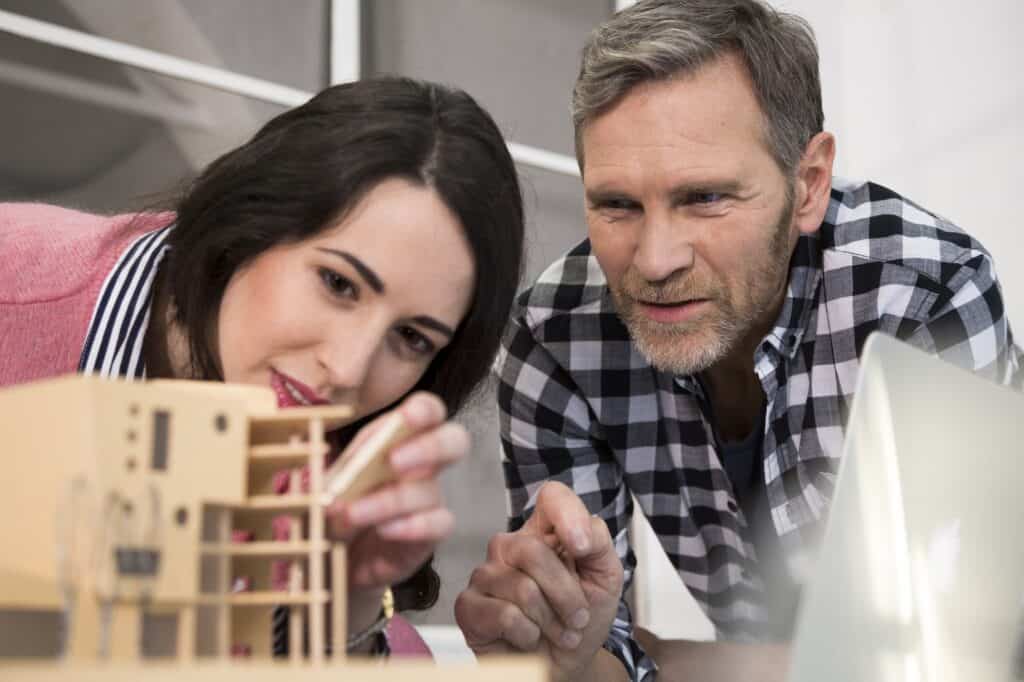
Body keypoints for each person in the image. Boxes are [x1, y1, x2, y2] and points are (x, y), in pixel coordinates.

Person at [453, 1, 1022, 680]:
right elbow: (596, 660)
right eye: (617, 204)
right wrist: (573, 654)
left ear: (808, 185)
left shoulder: (925, 287)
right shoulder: (554, 338)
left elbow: (953, 656)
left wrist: (676, 661)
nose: (656, 260)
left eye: (705, 198)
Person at [0, 76, 524, 656]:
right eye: (337, 283)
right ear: (252, 221)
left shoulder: (324, 523)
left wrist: (344, 611)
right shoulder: (13, 279)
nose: (348, 370)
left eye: (410, 337)